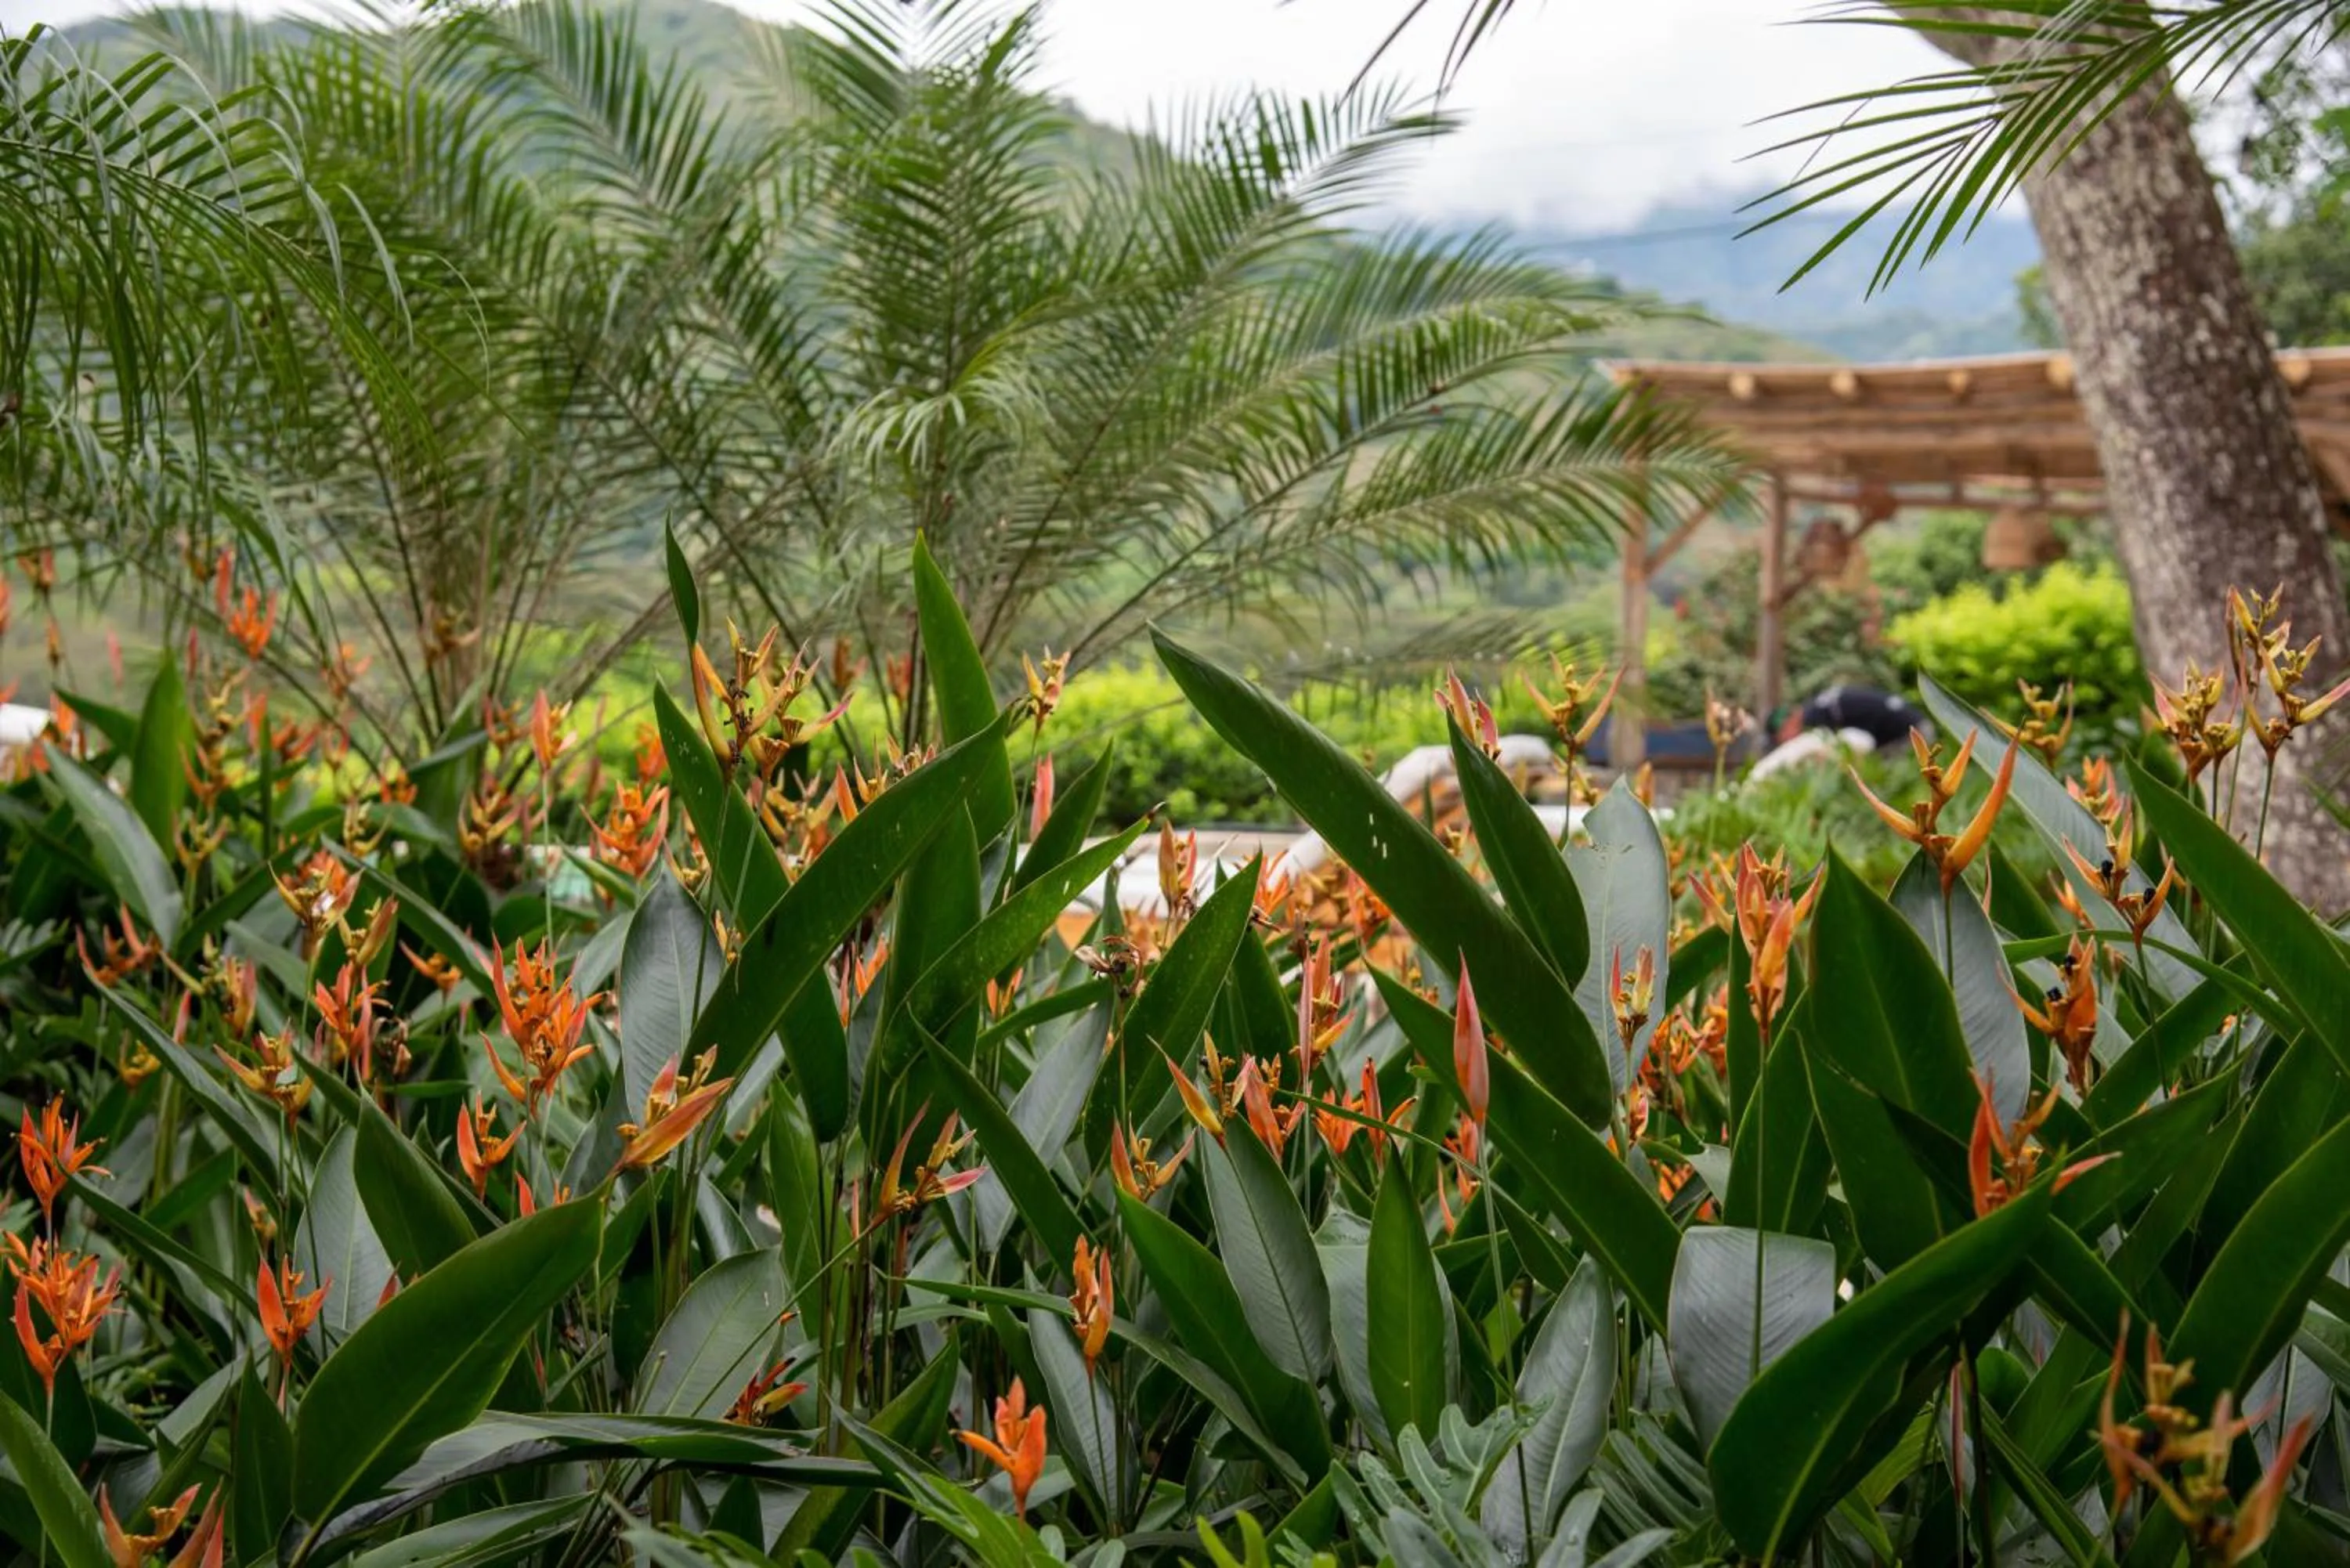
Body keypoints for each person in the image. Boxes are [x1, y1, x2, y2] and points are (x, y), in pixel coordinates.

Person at [1772, 683, 1933, 750]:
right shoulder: (1819, 705)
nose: (1786, 741)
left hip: (1913, 734)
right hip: (1915, 725)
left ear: (1789, 722)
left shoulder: (1814, 716)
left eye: (1782, 735)